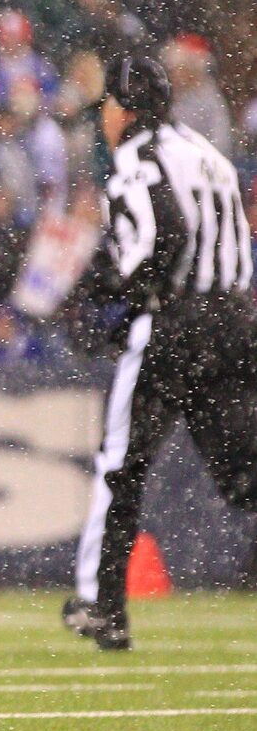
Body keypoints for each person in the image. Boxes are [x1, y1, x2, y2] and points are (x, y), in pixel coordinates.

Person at [63, 56, 257, 651]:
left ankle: (103, 605)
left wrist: (107, 294)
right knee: (245, 477)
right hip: (237, 319)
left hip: (177, 323)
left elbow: (156, 233)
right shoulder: (207, 151)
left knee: (121, 466)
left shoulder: (135, 159)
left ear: (122, 109)